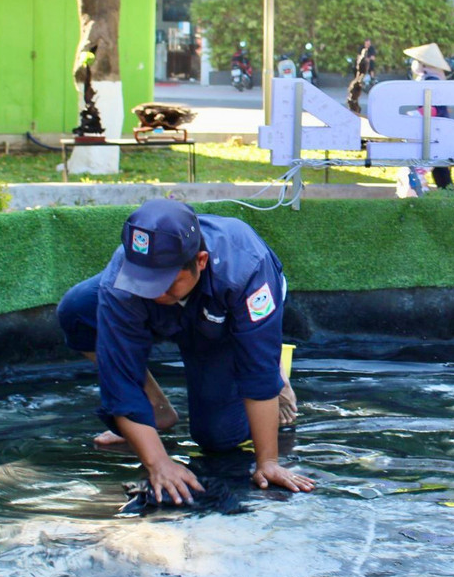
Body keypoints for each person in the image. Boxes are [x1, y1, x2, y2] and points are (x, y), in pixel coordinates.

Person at [56, 199, 314, 503]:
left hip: (227, 319)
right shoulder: (123, 283)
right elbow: (120, 381)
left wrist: (268, 462)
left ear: (200, 261)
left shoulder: (246, 269)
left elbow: (257, 374)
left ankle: (277, 368)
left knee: (218, 438)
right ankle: (156, 409)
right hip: (170, 312)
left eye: (165, 283)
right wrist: (158, 463)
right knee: (77, 310)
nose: (154, 292)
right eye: (144, 281)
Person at [404, 43, 454, 191]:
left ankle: (446, 194)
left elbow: (434, 109)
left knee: (437, 166)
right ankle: (448, 195)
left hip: (434, 130)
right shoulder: (432, 78)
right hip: (436, 129)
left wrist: (413, 115)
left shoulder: (430, 81)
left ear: (424, 65)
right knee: (439, 168)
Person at [346, 39, 377, 114]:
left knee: (371, 65)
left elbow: (373, 58)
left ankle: (372, 77)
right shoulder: (361, 49)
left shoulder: (371, 49)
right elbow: (359, 57)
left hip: (354, 100)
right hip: (353, 100)